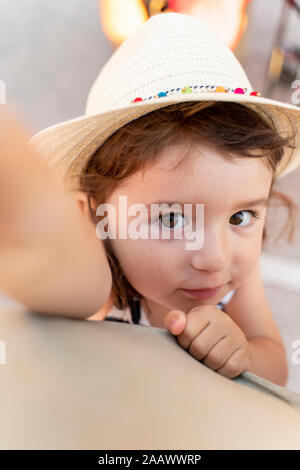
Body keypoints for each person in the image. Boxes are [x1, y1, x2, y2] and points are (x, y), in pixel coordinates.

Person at [2, 13, 300, 388]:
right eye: (172, 219)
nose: (215, 259)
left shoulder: (237, 275)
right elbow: (57, 269)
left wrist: (243, 353)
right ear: (95, 216)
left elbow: (276, 368)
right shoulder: (100, 283)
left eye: (240, 217)